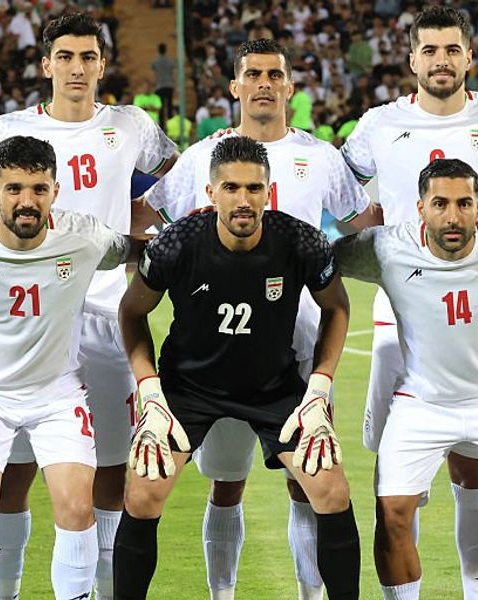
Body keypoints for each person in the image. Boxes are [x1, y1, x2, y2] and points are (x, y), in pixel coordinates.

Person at [143, 38, 381, 600]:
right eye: (253, 74)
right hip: (220, 347)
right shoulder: (202, 157)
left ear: (290, 86)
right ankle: (221, 594)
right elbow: (155, 222)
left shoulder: (321, 157)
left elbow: (362, 226)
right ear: (235, 86)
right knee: (227, 483)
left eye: (275, 74)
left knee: (307, 481)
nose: (264, 84)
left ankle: (310, 594)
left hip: (301, 345)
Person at [0, 12, 177, 600]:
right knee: (13, 474)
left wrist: (139, 222)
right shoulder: (10, 128)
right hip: (28, 322)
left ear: (102, 64)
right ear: (46, 63)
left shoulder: (130, 125)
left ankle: (99, 590)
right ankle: (4, 589)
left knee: (105, 471)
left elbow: (175, 182)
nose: (77, 68)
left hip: (106, 316)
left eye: (88, 57)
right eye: (66, 57)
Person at [338, 7, 478, 596]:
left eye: (452, 49)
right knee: (394, 484)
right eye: (430, 50)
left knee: (471, 467)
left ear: (468, 57)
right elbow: (340, 191)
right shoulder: (380, 124)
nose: (441, 60)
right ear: (412, 59)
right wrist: (380, 239)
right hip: (397, 319)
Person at [115, 136, 360, 599]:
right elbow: (131, 312)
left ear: (269, 191)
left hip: (273, 388)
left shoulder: (300, 241)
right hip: (188, 389)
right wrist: (150, 393)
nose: (243, 200)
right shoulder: (177, 244)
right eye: (231, 188)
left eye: (253, 188)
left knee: (332, 490)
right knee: (143, 493)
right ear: (211, 193)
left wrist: (318, 388)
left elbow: (337, 307)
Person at [0, 135, 132, 600]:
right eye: (14, 189)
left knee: (76, 508)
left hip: (58, 396)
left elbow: (134, 252)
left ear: (55, 191)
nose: (27, 201)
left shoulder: (84, 237)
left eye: (39, 189)